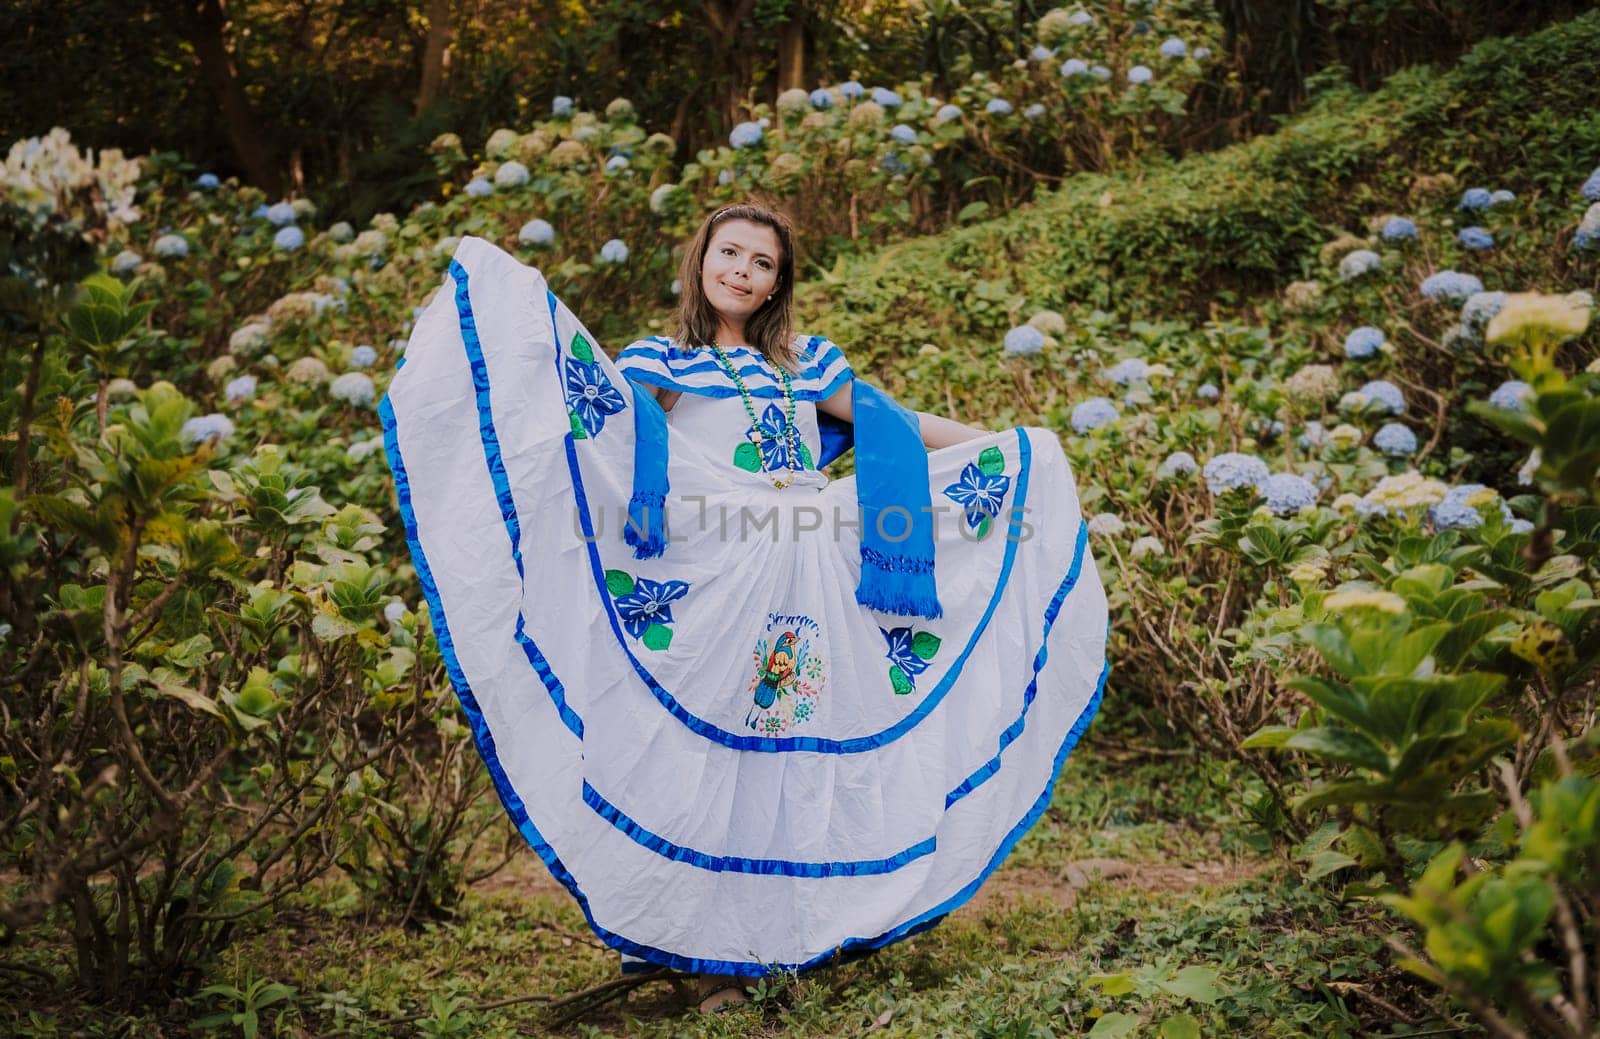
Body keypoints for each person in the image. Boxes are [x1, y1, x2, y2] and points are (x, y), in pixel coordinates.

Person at [380, 200, 1109, 1015]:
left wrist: (1007, 444)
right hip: (714, 583)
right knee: (707, 754)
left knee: (785, 753)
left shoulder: (806, 364)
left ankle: (777, 938)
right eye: (731, 253)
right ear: (701, 260)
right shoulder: (660, 363)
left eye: (762, 264)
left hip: (809, 572)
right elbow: (600, 437)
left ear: (774, 285)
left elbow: (891, 424)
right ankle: (699, 950)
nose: (743, 271)